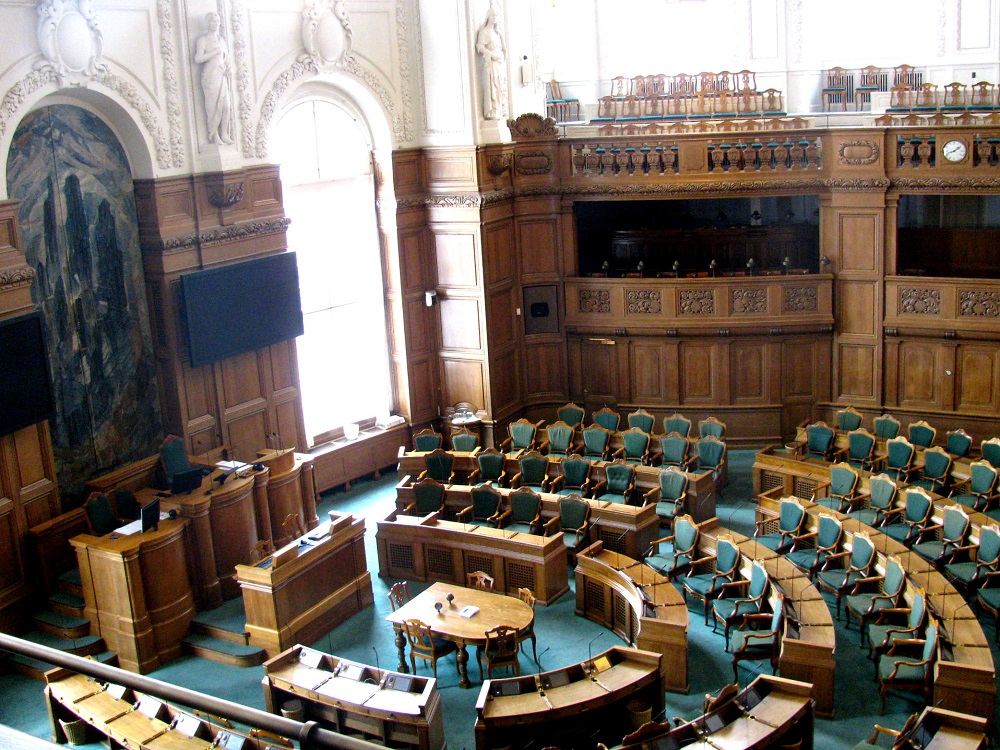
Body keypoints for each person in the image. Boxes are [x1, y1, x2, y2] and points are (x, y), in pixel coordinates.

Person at [194, 12, 234, 145]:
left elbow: (226, 57)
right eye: (213, 21)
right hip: (211, 75)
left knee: (226, 106)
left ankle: (224, 134)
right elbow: (198, 58)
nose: (216, 24)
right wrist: (214, 52)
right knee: (212, 107)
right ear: (208, 23)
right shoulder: (203, 40)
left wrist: (228, 68)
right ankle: (214, 134)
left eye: (218, 21)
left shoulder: (222, 40)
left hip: (222, 73)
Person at [475, 9, 505, 120]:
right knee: (492, 86)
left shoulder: (497, 33)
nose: (494, 17)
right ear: (488, 16)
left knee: (499, 87)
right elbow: (479, 46)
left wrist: (501, 35)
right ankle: (492, 112)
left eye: (496, 15)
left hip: (498, 63)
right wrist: (491, 55)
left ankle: (498, 111)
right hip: (491, 63)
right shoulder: (484, 32)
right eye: (493, 15)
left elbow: (504, 49)